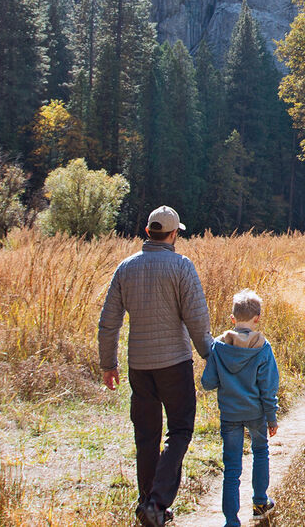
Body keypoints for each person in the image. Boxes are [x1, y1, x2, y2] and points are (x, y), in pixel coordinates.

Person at [98, 206, 212, 527]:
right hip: (174, 364)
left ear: (148, 232)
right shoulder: (182, 267)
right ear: (174, 234)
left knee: (146, 435)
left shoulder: (125, 268)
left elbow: (108, 323)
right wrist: (210, 357)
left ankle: (146, 504)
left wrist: (109, 363)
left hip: (139, 367)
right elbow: (197, 320)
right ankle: (158, 502)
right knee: (180, 430)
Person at [202, 288, 282, 526]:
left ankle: (231, 521)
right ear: (257, 318)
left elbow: (208, 383)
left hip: (229, 415)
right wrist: (272, 418)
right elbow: (268, 389)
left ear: (233, 319)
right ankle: (259, 503)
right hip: (256, 414)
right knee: (260, 451)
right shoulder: (262, 348)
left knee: (232, 467)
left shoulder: (218, 346)